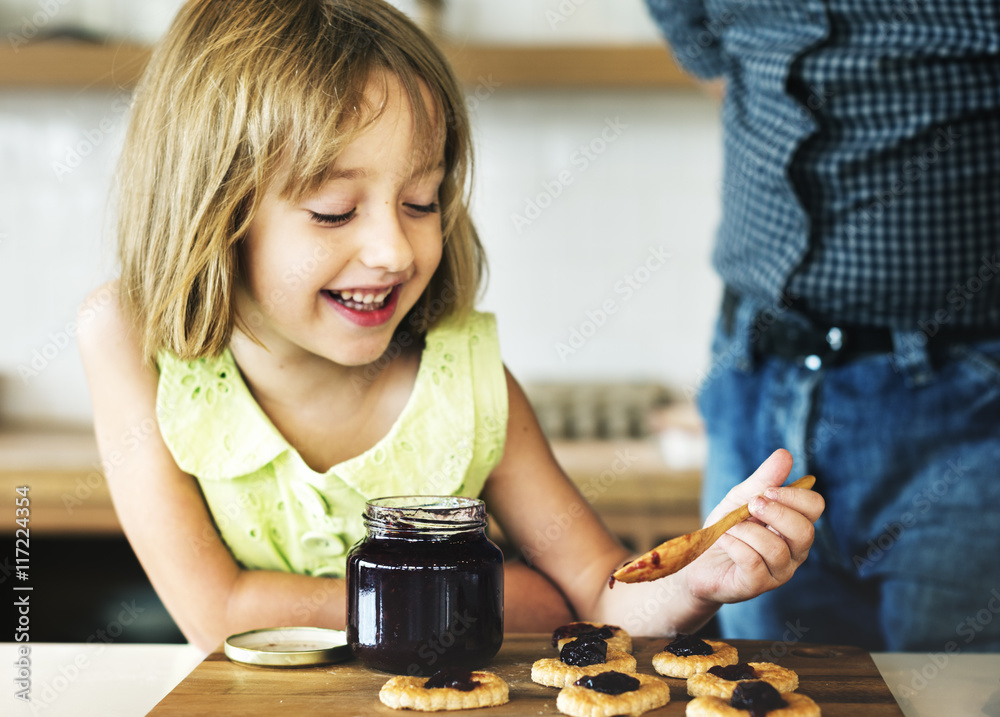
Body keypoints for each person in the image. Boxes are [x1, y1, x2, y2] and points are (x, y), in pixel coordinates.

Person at [77, 0, 823, 655]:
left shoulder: (468, 386)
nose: (395, 250)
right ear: (213, 212)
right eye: (335, 211)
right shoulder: (128, 340)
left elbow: (601, 599)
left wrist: (696, 580)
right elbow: (218, 614)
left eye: (423, 201)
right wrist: (507, 600)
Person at [645, 0, 1000, 651]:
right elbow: (710, 50)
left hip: (967, 393)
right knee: (763, 686)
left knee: (954, 695)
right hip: (755, 373)